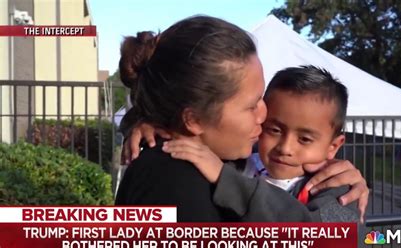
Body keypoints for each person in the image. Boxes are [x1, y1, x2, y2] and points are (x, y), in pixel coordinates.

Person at [116, 15, 369, 222]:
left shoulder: (225, 160)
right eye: (251, 106)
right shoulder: (176, 184)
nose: (264, 115)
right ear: (193, 120)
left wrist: (148, 120)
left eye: (304, 138)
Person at [162, 65, 361, 223]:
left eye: (305, 139)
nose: (285, 148)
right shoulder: (234, 161)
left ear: (334, 146)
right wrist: (149, 125)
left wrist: (227, 181)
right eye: (274, 130)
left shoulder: (341, 192)